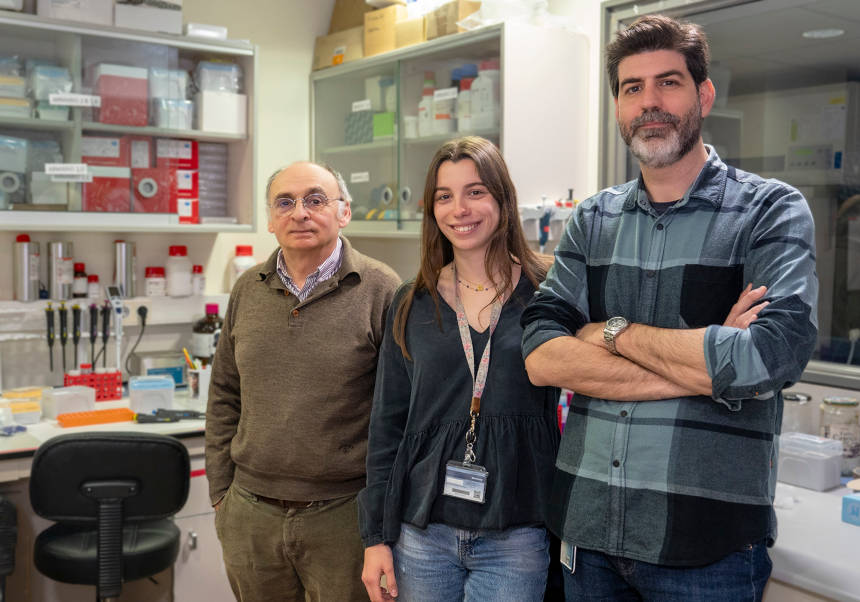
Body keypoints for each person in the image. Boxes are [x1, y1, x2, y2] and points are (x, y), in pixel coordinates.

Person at [521, 14, 818, 602]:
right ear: (617, 107)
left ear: (703, 94)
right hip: (588, 532)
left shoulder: (769, 211)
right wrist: (707, 367)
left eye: (669, 83)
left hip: (708, 545)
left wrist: (609, 331)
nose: (649, 102)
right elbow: (540, 356)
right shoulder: (593, 219)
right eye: (633, 88)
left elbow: (769, 358)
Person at [358, 136, 561, 602]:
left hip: (516, 532)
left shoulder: (549, 288)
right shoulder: (411, 302)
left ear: (502, 199)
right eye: (444, 197)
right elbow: (387, 426)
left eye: (475, 191)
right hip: (423, 532)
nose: (460, 209)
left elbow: (612, 346)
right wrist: (376, 539)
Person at [205, 161, 400, 602]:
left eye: (316, 200)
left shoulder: (381, 288)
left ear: (344, 212)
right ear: (271, 219)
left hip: (344, 517)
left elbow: (398, 414)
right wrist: (222, 494)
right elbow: (223, 395)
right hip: (250, 515)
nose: (300, 213)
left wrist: (381, 519)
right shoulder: (247, 289)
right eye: (285, 202)